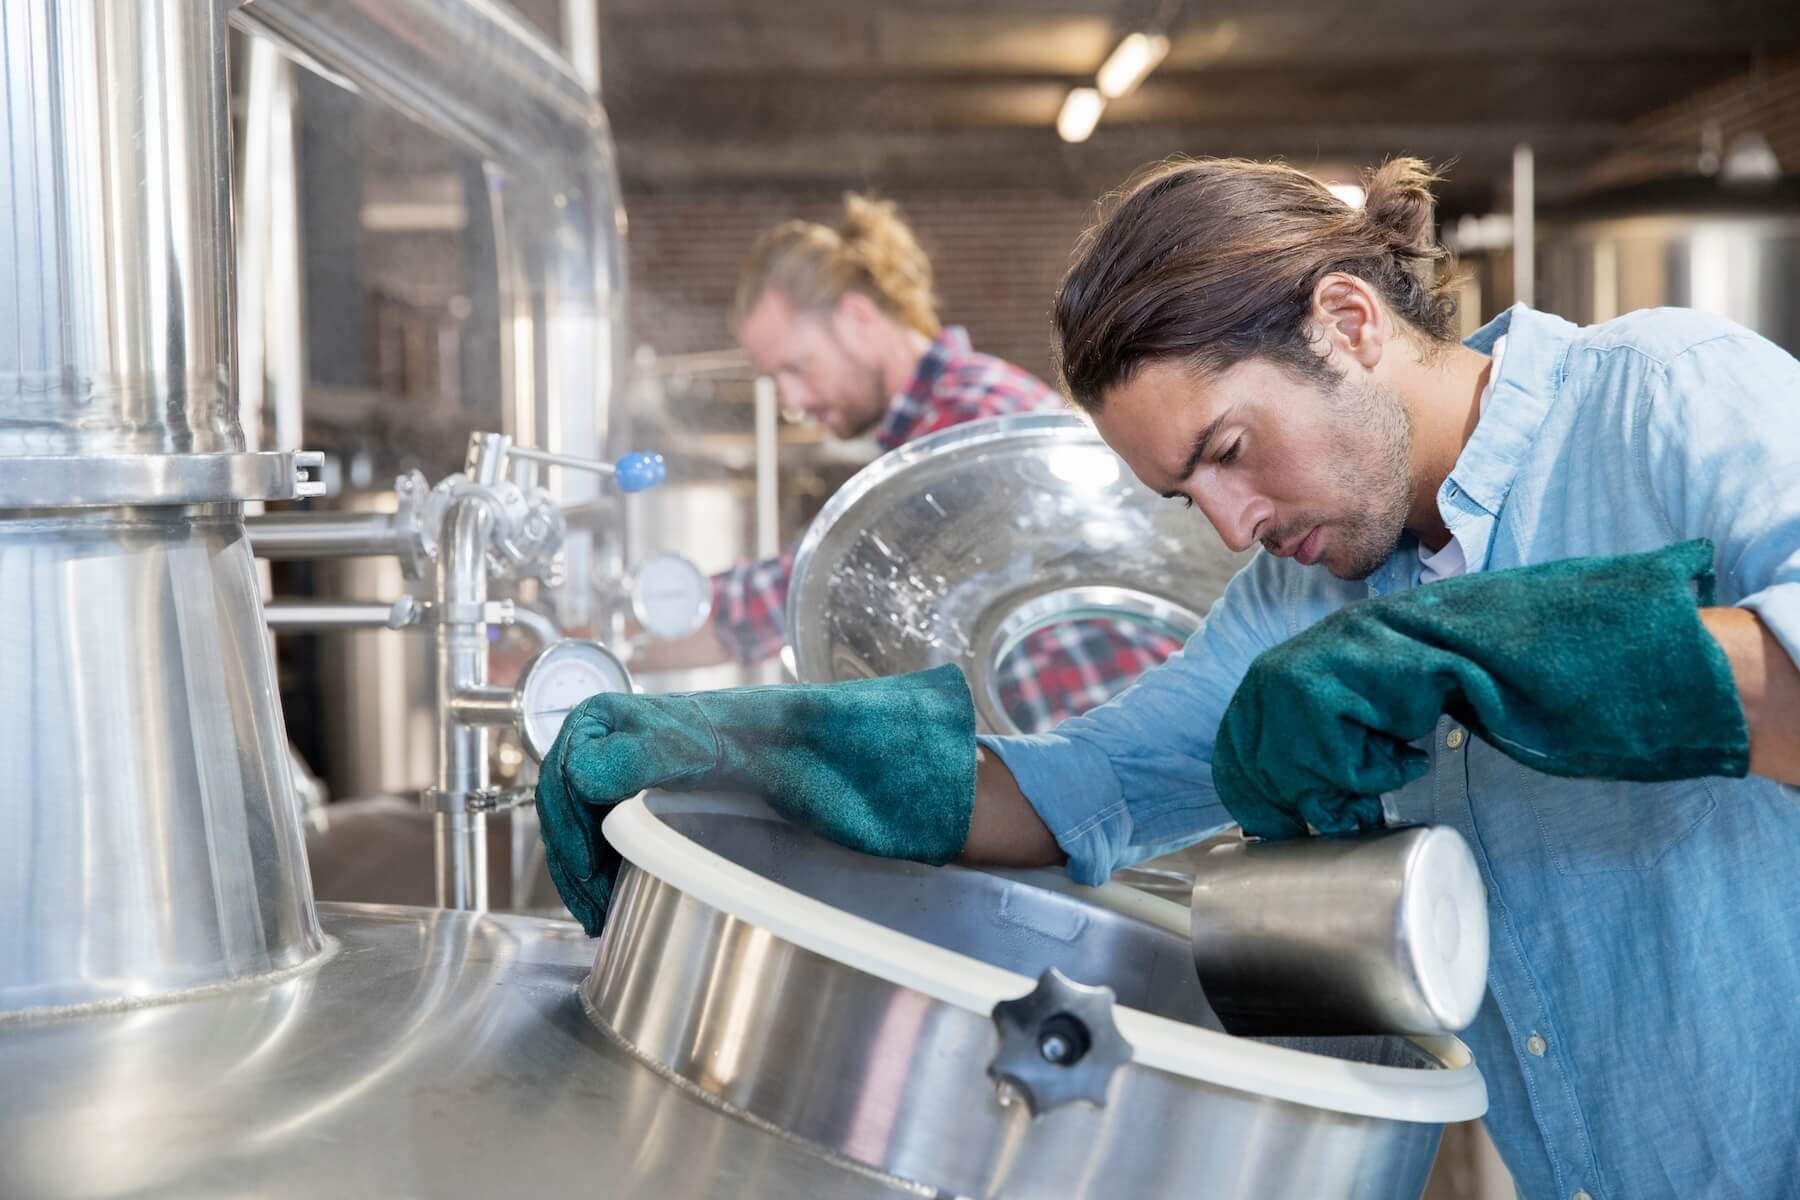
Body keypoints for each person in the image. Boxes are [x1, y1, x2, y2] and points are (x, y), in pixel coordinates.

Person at [537, 159, 1800, 1199]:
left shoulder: (1666, 402)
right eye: (1186, 494)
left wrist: (1492, 660)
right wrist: (749, 755)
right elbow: (1074, 789)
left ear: (1350, 323)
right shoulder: (1298, 601)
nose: (1234, 523)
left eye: (1232, 451)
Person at [653, 191, 1181, 730]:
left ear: (856, 319)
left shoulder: (972, 416)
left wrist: (635, 633)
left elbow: (828, 582)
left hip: (1120, 751)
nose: (792, 402)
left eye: (798, 367)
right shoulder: (932, 426)